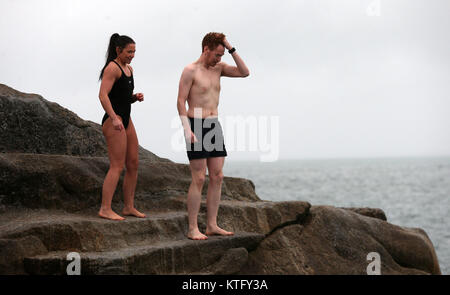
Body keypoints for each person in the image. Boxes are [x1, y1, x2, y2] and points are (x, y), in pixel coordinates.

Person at [177, 32, 250, 240]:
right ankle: (192, 228)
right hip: (195, 123)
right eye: (217, 54)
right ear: (206, 49)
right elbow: (180, 101)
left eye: (222, 55)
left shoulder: (219, 68)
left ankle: (211, 225)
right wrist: (186, 129)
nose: (219, 59)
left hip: (213, 123)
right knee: (199, 177)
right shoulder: (190, 70)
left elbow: (245, 73)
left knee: (217, 176)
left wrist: (229, 46)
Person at [98, 33, 146, 220]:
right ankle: (105, 208)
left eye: (134, 51)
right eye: (129, 51)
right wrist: (114, 118)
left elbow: (123, 97)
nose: (132, 55)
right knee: (117, 166)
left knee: (133, 164)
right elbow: (103, 95)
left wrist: (134, 98)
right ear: (118, 50)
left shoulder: (129, 69)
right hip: (114, 120)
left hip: (127, 119)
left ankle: (128, 207)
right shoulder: (112, 68)